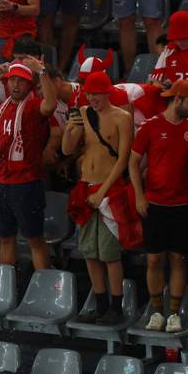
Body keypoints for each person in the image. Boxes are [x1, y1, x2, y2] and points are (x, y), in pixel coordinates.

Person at [63, 72, 137, 325]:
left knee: (109, 253)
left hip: (109, 190)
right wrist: (71, 128)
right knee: (89, 253)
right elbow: (66, 149)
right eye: (89, 94)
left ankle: (116, 306)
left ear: (107, 93)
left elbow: (123, 160)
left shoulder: (122, 117)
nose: (92, 99)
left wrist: (102, 191)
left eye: (97, 94)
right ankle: (100, 303)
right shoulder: (82, 113)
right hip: (86, 188)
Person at [129, 79, 188, 332]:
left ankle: (174, 314)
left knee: (179, 260)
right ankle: (157, 312)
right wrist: (139, 195)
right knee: (154, 260)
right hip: (155, 204)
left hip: (182, 205)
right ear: (177, 99)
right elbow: (133, 162)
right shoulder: (150, 127)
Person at [0, 58, 57, 270]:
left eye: (22, 81)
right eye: (12, 80)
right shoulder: (2, 108)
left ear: (30, 85)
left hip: (27, 183)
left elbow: (51, 104)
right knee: (5, 238)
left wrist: (42, 71)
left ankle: (42, 289)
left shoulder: (34, 106)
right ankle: (6, 288)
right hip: (1, 181)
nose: (16, 85)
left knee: (34, 239)